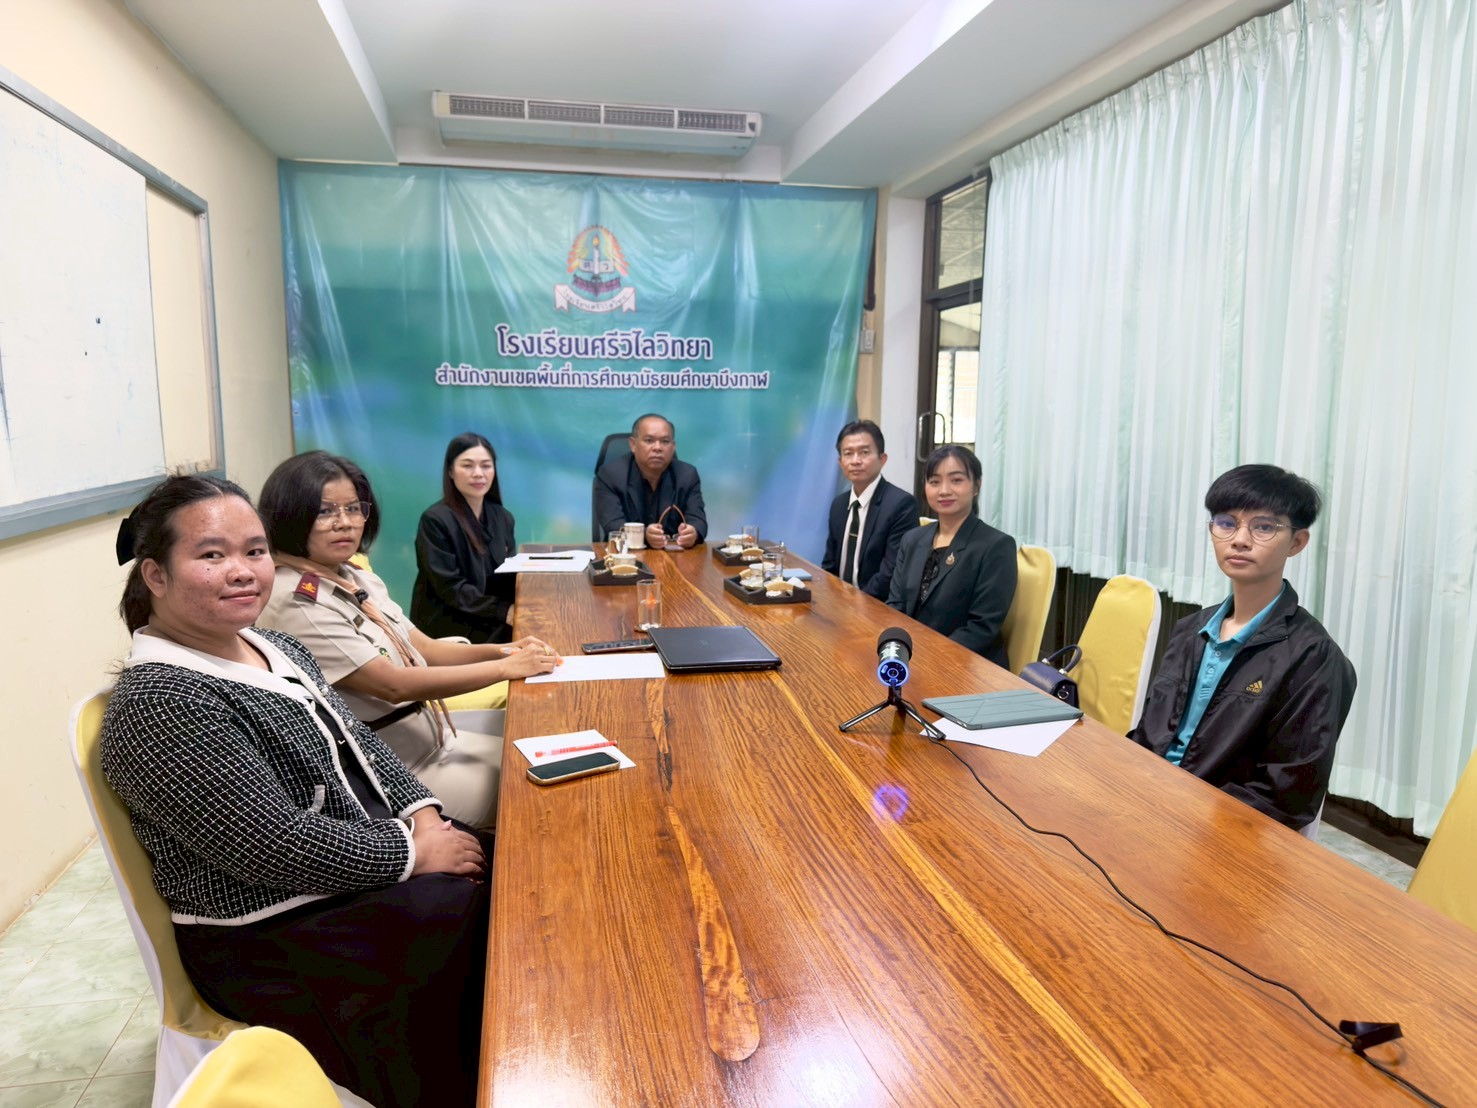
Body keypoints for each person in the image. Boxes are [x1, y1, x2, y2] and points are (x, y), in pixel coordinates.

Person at [100, 474, 490, 1106]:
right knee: (468, 917)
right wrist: (413, 854)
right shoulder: (160, 702)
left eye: (254, 551)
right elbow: (269, 845)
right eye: (211, 554)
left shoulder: (273, 646)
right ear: (155, 576)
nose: (242, 570)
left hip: (345, 875)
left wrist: (423, 817)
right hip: (270, 934)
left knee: (500, 868)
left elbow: (361, 744)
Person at [256, 450, 558, 829]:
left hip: (437, 742)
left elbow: (424, 648)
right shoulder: (297, 600)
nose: (344, 523)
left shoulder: (352, 575)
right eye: (325, 511)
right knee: (549, 790)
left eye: (353, 508)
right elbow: (394, 685)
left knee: (551, 749)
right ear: (290, 516)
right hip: (399, 775)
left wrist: (506, 650)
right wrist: (506, 668)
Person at [1129, 464, 1356, 830]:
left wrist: (1181, 811)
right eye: (1226, 523)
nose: (1239, 539)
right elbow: (1147, 737)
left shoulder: (1313, 657)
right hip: (1142, 804)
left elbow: (1286, 798)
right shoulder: (1191, 629)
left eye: (1264, 527)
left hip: (1215, 829)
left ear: (1296, 543)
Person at [887, 444, 1016, 667]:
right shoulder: (912, 539)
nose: (944, 490)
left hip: (967, 666)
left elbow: (981, 628)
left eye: (956, 480)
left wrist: (926, 657)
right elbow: (895, 605)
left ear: (976, 486)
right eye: (934, 482)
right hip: (911, 659)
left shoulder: (996, 546)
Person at [411, 432, 518, 644]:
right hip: (450, 626)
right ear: (451, 471)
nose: (478, 473)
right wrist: (503, 611)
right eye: (467, 465)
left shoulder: (503, 517)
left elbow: (508, 576)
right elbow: (450, 588)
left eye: (486, 466)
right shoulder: (435, 520)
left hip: (492, 618)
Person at [821, 419, 918, 600]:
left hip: (877, 606)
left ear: (882, 459)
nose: (855, 461)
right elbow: (829, 565)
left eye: (864, 452)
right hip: (839, 603)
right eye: (848, 454)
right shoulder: (839, 505)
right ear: (840, 462)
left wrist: (853, 604)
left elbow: (890, 574)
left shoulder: (901, 505)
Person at [594, 413, 707, 548]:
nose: (657, 447)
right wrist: (644, 536)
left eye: (665, 441)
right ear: (633, 444)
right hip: (626, 555)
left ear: (673, 447)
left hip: (674, 556)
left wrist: (693, 532)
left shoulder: (687, 475)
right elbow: (612, 524)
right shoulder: (611, 475)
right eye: (649, 440)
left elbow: (698, 521)